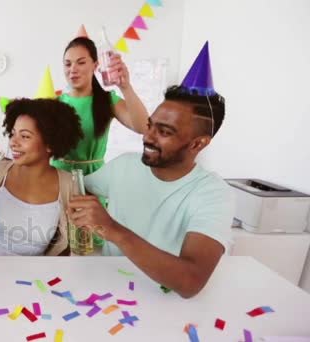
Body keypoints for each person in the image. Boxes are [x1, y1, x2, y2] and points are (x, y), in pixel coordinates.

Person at [69, 82, 234, 298]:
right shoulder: (125, 165)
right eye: (150, 126)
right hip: (107, 296)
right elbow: (74, 186)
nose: (148, 137)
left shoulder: (213, 194)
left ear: (198, 144)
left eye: (164, 132)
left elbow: (191, 281)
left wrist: (112, 229)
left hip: (164, 303)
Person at [0, 98, 83, 256]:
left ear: (50, 144)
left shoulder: (69, 185)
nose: (13, 142)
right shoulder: (0, 170)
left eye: (25, 136)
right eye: (13, 134)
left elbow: (75, 246)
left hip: (33, 277)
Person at [52, 36, 151, 246]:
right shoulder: (54, 103)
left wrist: (126, 86)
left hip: (93, 181)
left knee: (90, 245)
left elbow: (144, 127)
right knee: (57, 243)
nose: (73, 70)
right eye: (68, 64)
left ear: (96, 65)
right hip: (56, 180)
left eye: (81, 62)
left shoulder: (107, 101)